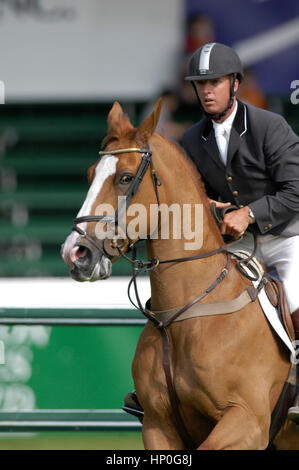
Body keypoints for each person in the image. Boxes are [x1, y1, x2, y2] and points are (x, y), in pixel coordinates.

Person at [181, 42, 299, 421]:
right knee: (193, 300)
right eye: (200, 84)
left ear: (235, 84)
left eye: (215, 82)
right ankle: (168, 383)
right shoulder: (190, 139)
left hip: (286, 239)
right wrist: (209, 208)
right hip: (238, 246)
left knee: (296, 303)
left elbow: (296, 190)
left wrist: (249, 212)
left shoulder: (269, 126)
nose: (207, 90)